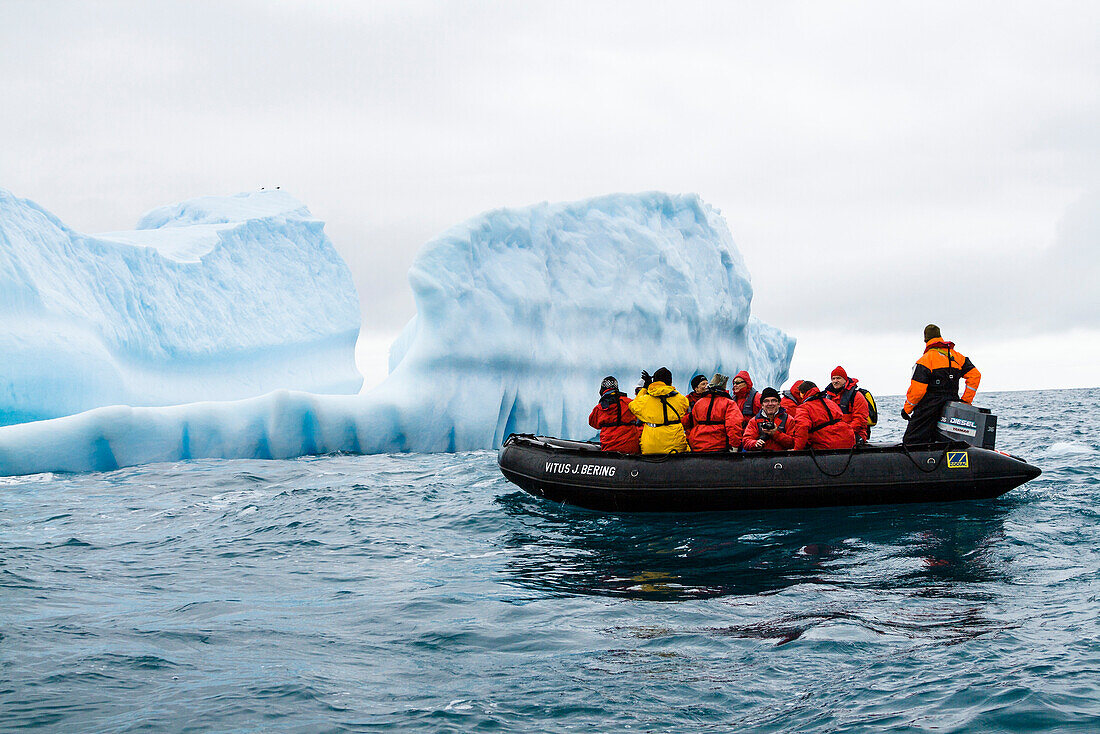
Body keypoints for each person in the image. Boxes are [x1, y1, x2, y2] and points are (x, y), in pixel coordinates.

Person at [902, 324, 981, 445]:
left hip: (930, 405)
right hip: (951, 404)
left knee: (911, 440)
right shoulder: (958, 357)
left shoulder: (925, 360)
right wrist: (965, 402)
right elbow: (975, 375)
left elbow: (917, 391)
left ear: (926, 340)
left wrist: (907, 409)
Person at [629, 367, 691, 454]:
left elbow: (633, 406)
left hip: (651, 447)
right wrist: (669, 389)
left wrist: (645, 388)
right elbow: (685, 405)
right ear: (670, 381)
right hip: (676, 446)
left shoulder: (646, 400)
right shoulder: (680, 399)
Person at [683, 373, 743, 452]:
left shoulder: (699, 403)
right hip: (719, 445)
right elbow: (734, 425)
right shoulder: (729, 403)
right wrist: (735, 445)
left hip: (698, 444)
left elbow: (692, 422)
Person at [793, 381, 856, 450]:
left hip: (825, 445)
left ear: (802, 394)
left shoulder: (803, 408)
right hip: (848, 441)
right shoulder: (831, 402)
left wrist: (797, 450)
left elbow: (802, 428)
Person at [588, 376, 641, 453]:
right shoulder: (630, 403)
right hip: (630, 448)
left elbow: (593, 423)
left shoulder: (599, 408)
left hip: (609, 449)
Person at [822, 366, 871, 443]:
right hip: (833, 435)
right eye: (833, 379)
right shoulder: (827, 397)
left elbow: (860, 419)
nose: (835, 381)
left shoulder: (856, 396)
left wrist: (844, 432)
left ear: (845, 379)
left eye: (838, 378)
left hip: (854, 433)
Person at [742, 387, 798, 451]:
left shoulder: (789, 420)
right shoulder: (754, 421)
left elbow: (793, 443)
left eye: (773, 400)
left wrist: (775, 434)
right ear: (762, 405)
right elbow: (746, 441)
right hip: (761, 458)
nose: (770, 404)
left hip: (782, 458)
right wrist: (755, 443)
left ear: (779, 404)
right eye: (766, 401)